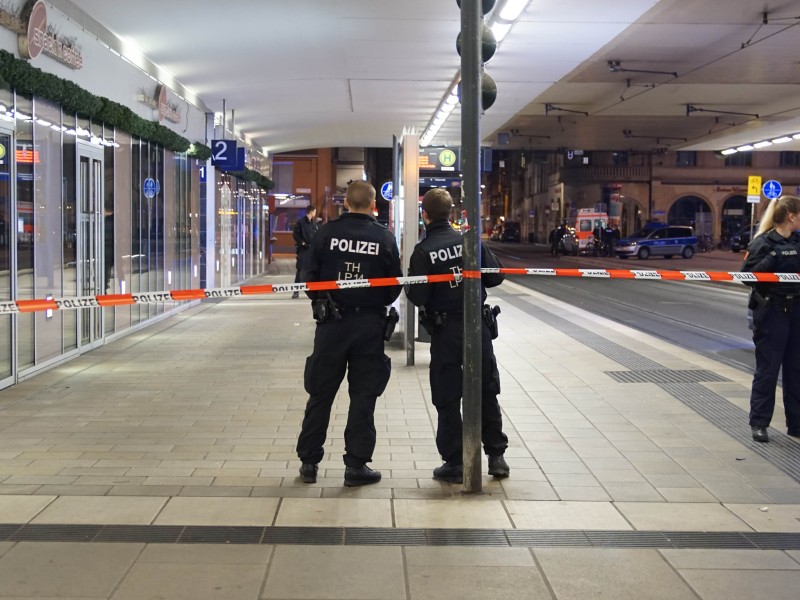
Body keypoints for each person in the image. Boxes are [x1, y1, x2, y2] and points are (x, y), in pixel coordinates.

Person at [295, 181, 402, 486]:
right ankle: (356, 465)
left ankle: (308, 462)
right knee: (363, 396)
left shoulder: (325, 234)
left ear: (345, 204)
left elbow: (309, 277)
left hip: (331, 325)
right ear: (373, 205)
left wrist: (323, 303)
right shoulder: (384, 238)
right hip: (369, 326)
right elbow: (394, 285)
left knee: (321, 394)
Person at [405, 188, 509, 483]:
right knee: (487, 388)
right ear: (451, 213)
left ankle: (455, 461)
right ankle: (496, 456)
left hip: (445, 331)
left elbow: (419, 296)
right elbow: (495, 276)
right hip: (478, 329)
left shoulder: (424, 251)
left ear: (425, 215)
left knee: (447, 395)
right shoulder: (471, 242)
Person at [742, 195, 800, 443]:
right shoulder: (763, 243)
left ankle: (796, 423)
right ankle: (759, 423)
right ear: (791, 216)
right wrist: (774, 256)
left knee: (796, 370)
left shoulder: (799, 242)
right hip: (771, 312)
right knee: (767, 370)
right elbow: (748, 276)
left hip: (796, 312)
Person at [291, 204, 319, 298]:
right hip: (303, 251)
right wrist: (302, 243)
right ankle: (296, 291)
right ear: (311, 211)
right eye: (315, 211)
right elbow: (295, 235)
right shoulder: (300, 223)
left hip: (312, 251)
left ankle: (313, 290)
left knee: (313, 270)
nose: (315, 213)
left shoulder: (314, 224)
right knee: (300, 270)